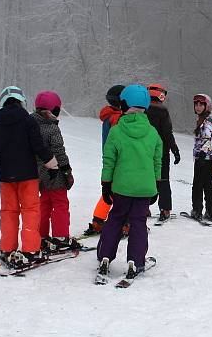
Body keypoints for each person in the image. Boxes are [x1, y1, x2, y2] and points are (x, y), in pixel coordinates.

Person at [0, 86, 58, 267]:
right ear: (21, 101)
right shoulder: (28, 121)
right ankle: (30, 249)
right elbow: (38, 146)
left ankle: (7, 247)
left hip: (7, 177)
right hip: (28, 176)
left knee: (9, 211)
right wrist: (52, 165)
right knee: (30, 210)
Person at [96, 85, 162, 281]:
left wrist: (106, 183)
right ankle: (136, 260)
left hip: (121, 187)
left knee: (115, 219)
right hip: (144, 188)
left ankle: (105, 256)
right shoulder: (153, 133)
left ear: (123, 104)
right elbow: (157, 162)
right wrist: (155, 185)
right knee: (139, 223)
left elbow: (109, 160)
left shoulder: (116, 131)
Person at [32, 90, 79, 253]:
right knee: (60, 203)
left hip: (37, 171)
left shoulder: (30, 124)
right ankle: (60, 236)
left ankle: (42, 234)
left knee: (44, 203)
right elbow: (59, 151)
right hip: (55, 171)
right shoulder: (52, 128)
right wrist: (67, 170)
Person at [84, 85, 125, 236]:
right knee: (122, 193)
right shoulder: (117, 118)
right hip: (119, 161)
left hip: (108, 159)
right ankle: (124, 224)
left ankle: (98, 221)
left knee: (109, 193)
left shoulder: (108, 116)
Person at [145, 84, 180, 222]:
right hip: (162, 152)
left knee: (146, 178)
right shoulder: (163, 111)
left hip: (145, 151)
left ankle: (143, 207)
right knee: (163, 180)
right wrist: (174, 149)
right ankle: (165, 209)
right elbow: (167, 133)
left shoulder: (142, 110)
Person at [190, 94, 212, 221]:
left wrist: (202, 154)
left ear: (207, 106)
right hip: (210, 157)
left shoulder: (206, 120)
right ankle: (210, 210)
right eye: (196, 104)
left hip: (205, 157)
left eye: (201, 104)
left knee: (198, 184)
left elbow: (208, 139)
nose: (198, 107)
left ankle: (197, 210)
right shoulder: (206, 119)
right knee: (207, 183)